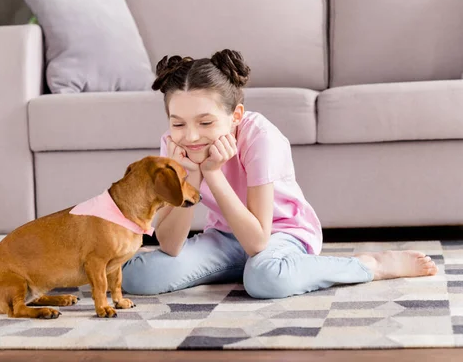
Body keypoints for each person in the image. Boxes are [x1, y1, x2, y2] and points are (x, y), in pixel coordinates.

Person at [121, 49, 438, 298]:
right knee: (134, 275)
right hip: (227, 238)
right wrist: (187, 177)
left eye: (205, 123)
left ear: (235, 116)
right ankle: (242, 269)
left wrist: (213, 175)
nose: (190, 136)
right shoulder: (173, 146)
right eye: (178, 123)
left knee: (265, 278)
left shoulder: (260, 136)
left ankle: (370, 265)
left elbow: (259, 240)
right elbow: (171, 245)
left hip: (282, 234)